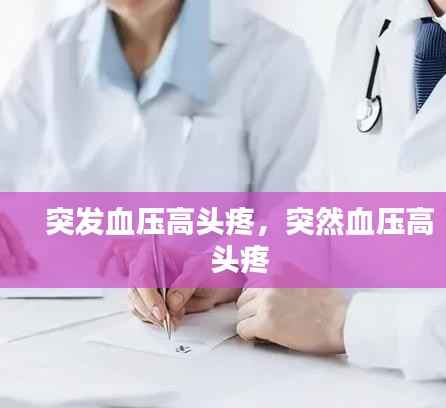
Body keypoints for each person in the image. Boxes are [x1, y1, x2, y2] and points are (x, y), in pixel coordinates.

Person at [237, 0, 446, 389]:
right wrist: (240, 266)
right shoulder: (369, 16)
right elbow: (322, 202)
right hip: (351, 393)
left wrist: (347, 323)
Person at [0, 0, 321, 275]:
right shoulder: (51, 53)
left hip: (200, 317)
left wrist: (218, 264)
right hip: (56, 309)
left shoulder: (273, 58)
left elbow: (294, 226)